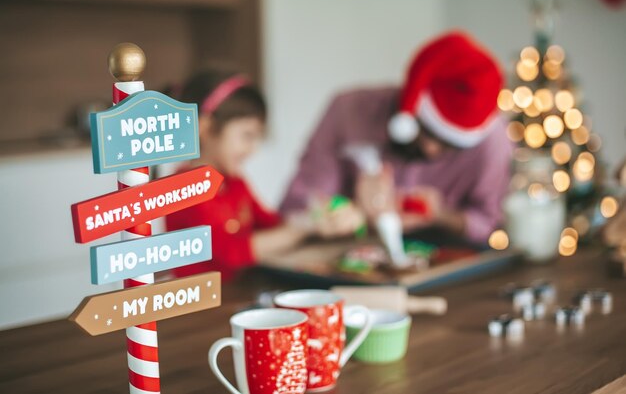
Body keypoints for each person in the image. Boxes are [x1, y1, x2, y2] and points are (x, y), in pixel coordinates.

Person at [280, 32, 514, 245]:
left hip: (452, 255)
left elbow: (492, 224)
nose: (431, 149)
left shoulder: (493, 143)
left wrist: (439, 213)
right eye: (425, 131)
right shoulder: (349, 111)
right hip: (350, 250)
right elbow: (298, 205)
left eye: (450, 145)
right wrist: (352, 209)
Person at [166, 69, 363, 281]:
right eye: (247, 136)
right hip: (203, 309)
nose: (253, 149)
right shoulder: (183, 189)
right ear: (205, 127)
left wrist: (316, 215)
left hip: (238, 295)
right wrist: (303, 228)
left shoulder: (235, 183)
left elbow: (271, 224)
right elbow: (231, 253)